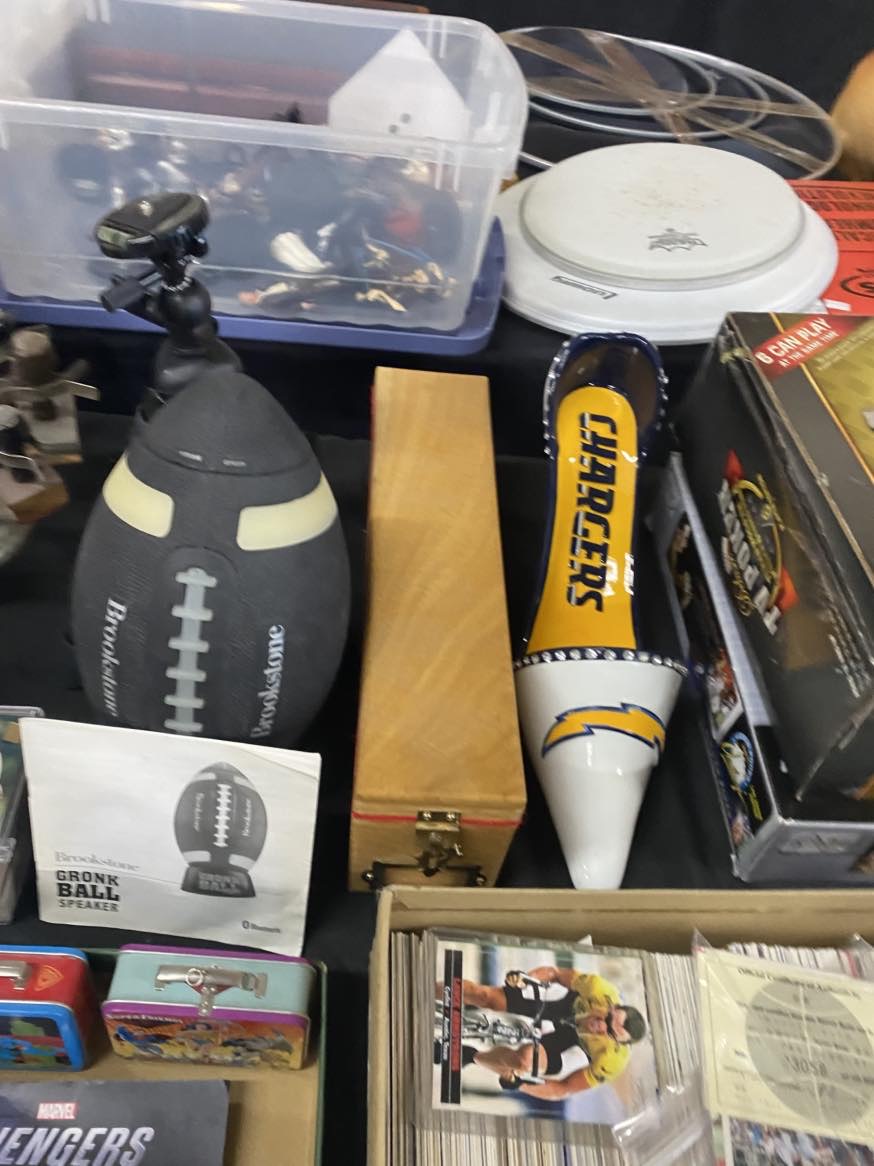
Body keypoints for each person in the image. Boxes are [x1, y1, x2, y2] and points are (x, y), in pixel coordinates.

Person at [450, 963, 647, 1100]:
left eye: (610, 1033)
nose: (601, 1026)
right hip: (564, 1005)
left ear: (617, 1042)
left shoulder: (612, 1061)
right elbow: (555, 973)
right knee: (484, 996)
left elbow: (563, 1089)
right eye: (608, 1018)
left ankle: (470, 1056)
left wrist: (521, 1084)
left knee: (524, 1061)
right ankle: (439, 990)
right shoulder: (598, 989)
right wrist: (526, 979)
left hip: (573, 1044)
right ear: (612, 1006)